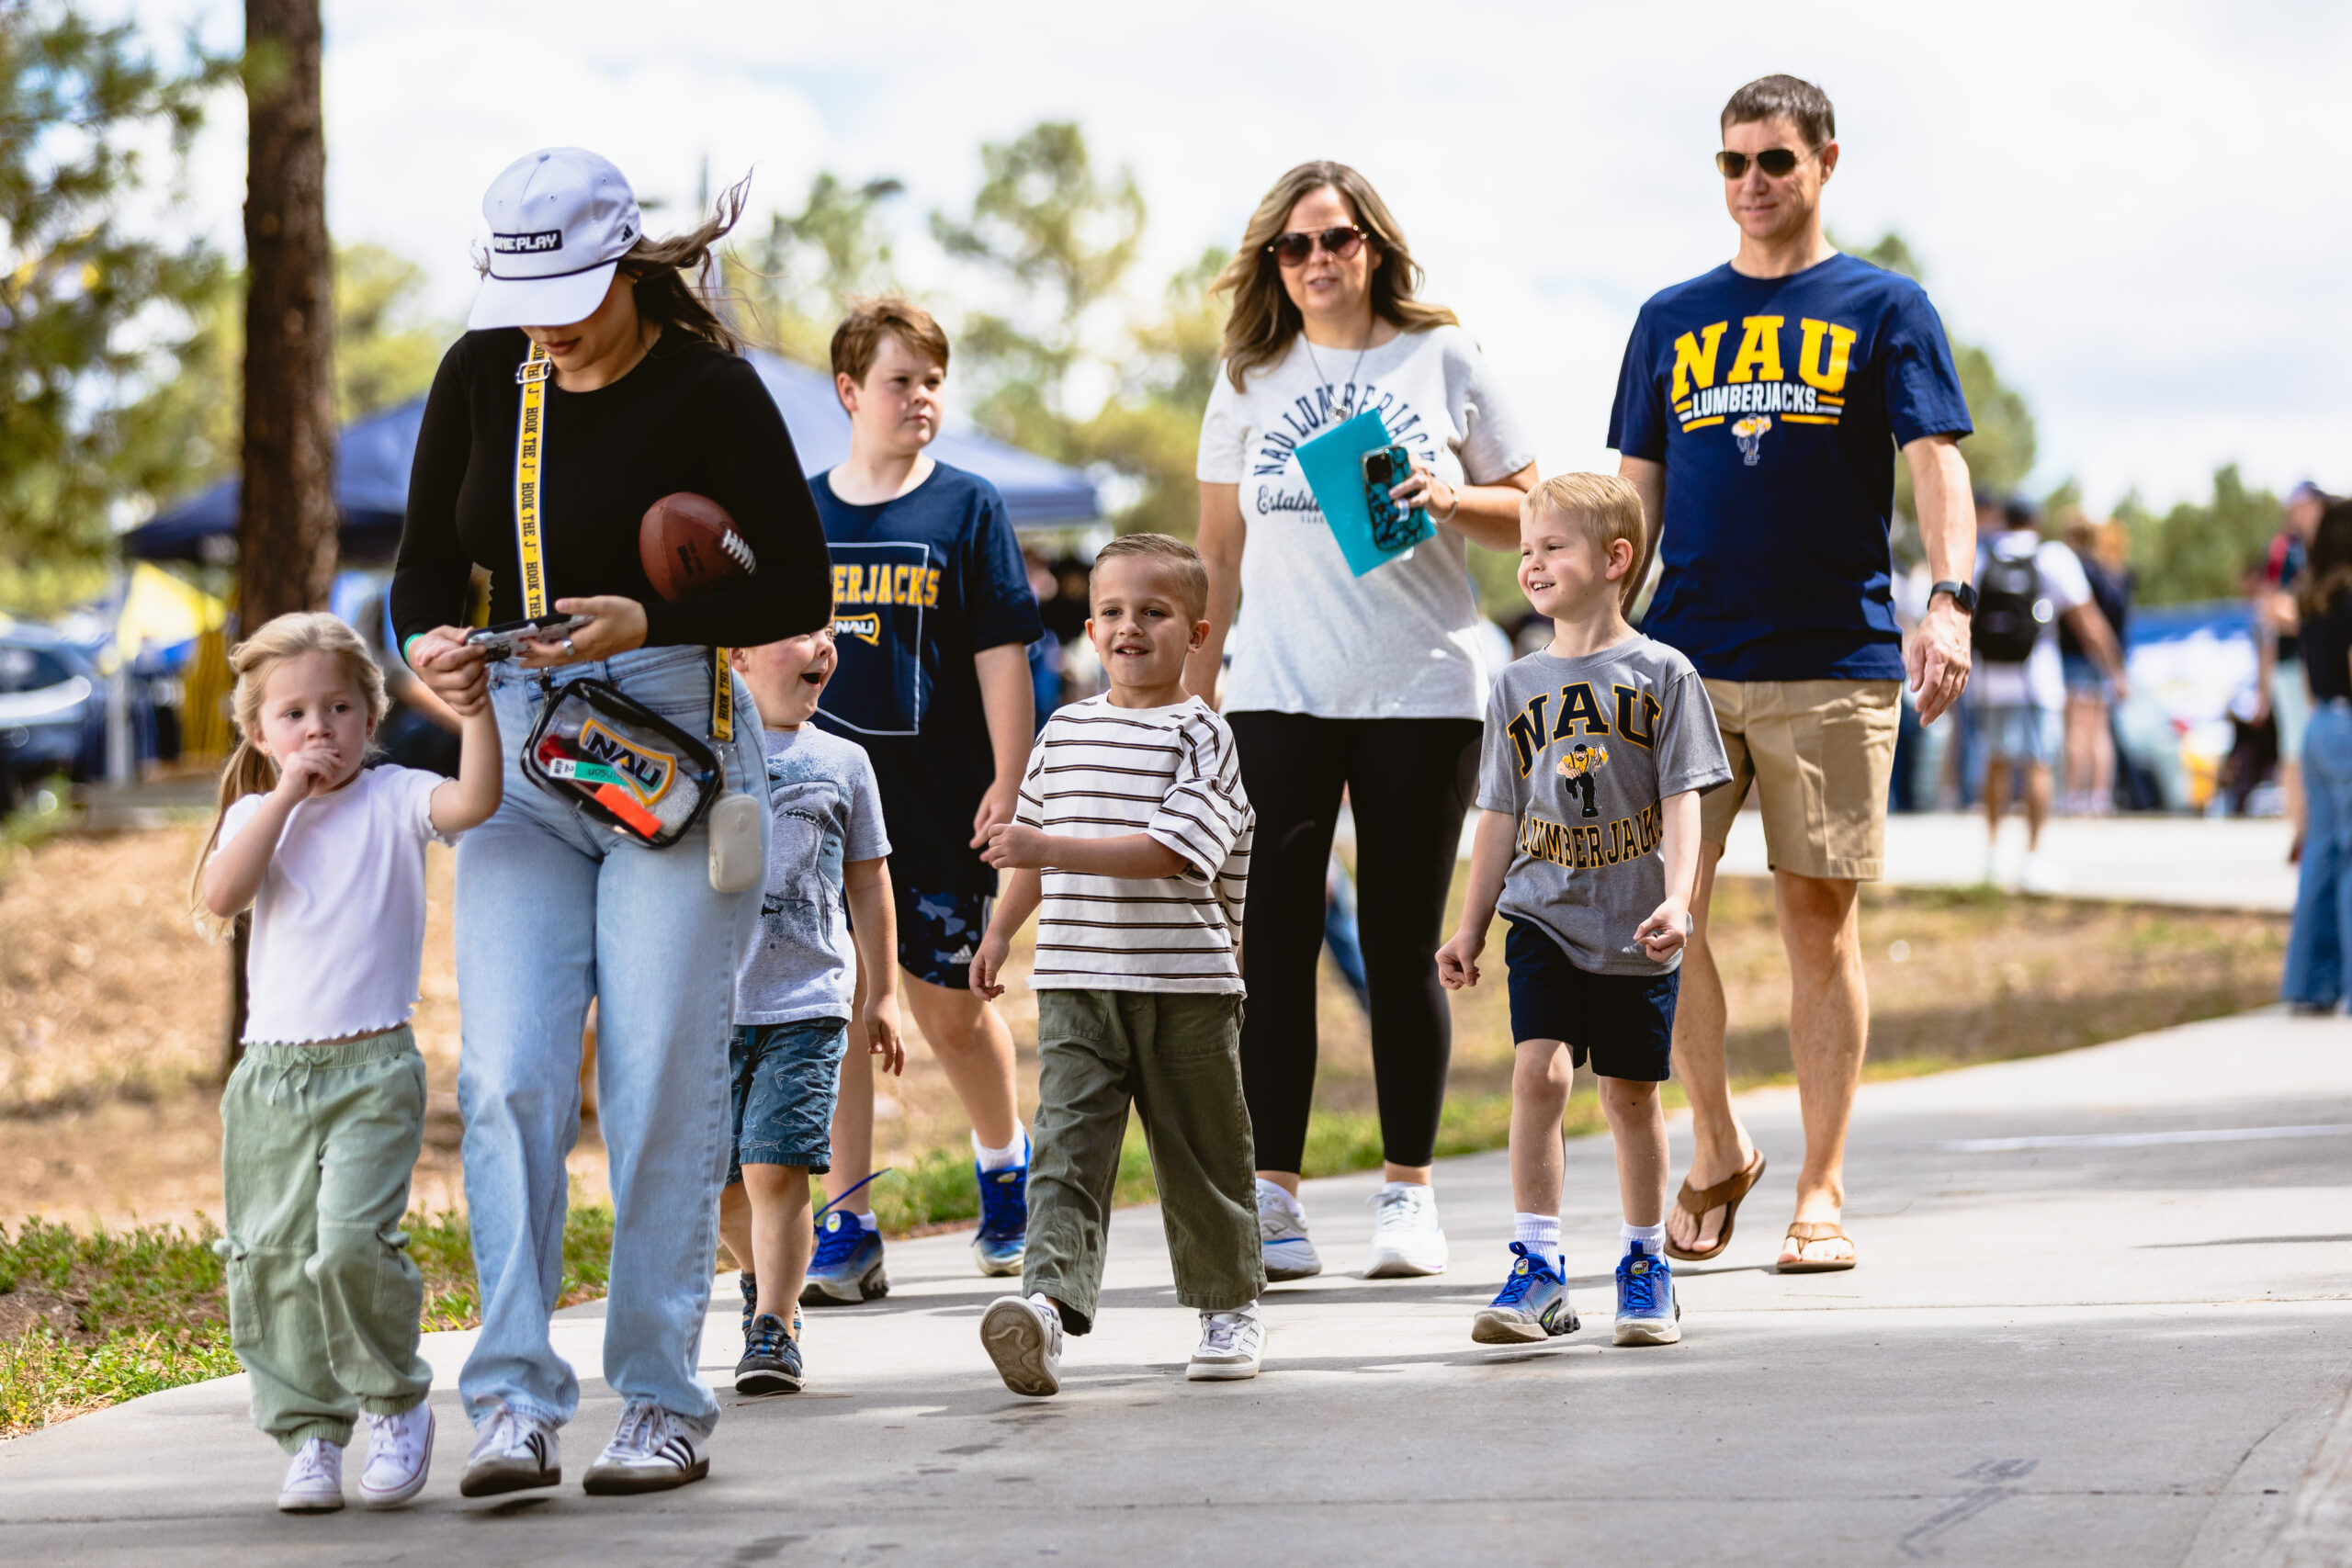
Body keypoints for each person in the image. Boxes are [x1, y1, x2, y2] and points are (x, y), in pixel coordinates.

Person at [393, 148, 832, 1495]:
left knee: (657, 1076)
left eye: (577, 291)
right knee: (510, 1074)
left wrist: (661, 617)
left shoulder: (709, 387)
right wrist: (429, 651)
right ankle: (514, 1398)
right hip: (518, 752)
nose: (553, 321)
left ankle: (658, 1395)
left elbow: (799, 579)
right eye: (529, 295)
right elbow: (419, 567)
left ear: (629, 260)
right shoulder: (481, 377)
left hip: (673, 747)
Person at [1610, 76, 1977, 1271]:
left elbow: (1935, 463)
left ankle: (1820, 1183)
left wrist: (1950, 598)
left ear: (1825, 161)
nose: (1753, 184)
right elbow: (1636, 494)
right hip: (1689, 662)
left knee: (1819, 926)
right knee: (1659, 913)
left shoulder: (1884, 304)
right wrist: (1600, 623)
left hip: (1836, 660)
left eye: (1774, 160)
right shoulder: (1670, 316)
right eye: (1732, 164)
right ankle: (1716, 1143)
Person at [1191, 160, 1538, 1281]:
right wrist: (1194, 698)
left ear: (1372, 246)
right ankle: (1275, 1198)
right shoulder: (1248, 373)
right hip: (1278, 695)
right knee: (1272, 944)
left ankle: (1407, 1194)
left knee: (1398, 945)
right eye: (1292, 248)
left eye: (1334, 240)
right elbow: (1217, 554)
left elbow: (1537, 517)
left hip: (1418, 694)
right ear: (1271, 264)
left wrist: (1450, 495)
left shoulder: (1442, 357)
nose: (1316, 262)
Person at [191, 613, 502, 1511]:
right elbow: (221, 893)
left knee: (346, 1247)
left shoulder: (397, 795)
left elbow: (474, 803)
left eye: (337, 709)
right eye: (292, 715)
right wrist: (285, 794)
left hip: (372, 1066)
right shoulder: (259, 813)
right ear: (259, 734)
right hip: (271, 1080)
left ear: (370, 719)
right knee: (274, 1258)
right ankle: (309, 1436)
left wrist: (473, 710)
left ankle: (396, 1403)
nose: (317, 729)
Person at [1437, 475, 1730, 1348]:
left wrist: (1680, 899)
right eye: (1526, 549)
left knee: (1632, 1098)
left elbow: (1686, 800)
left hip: (1639, 925)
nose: (1531, 563)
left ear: (1615, 560)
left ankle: (1646, 1266)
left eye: (1552, 546)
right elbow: (1497, 815)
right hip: (1545, 917)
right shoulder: (1515, 684)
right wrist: (1470, 923)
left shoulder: (1664, 673)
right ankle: (1538, 1269)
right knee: (1541, 1074)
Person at [968, 534, 1263, 1393]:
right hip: (1075, 982)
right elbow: (1026, 853)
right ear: (1090, 631)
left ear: (1197, 634)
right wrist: (999, 931)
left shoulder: (1206, 736)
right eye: (1111, 612)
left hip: (1187, 988)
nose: (1129, 627)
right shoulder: (1065, 730)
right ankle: (1046, 1309)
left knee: (1202, 1155)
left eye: (1154, 612)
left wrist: (1045, 845)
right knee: (1065, 1151)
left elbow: (1173, 852)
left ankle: (1229, 1304)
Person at [807, 297, 1042, 1299]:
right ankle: (848, 1223)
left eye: (935, 381)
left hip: (940, 809)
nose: (923, 399)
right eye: (903, 381)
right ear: (851, 390)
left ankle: (1004, 1173)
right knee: (837, 1011)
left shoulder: (968, 506)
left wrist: (1010, 779)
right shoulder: (801, 513)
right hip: (819, 815)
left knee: (949, 1011)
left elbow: (1003, 656)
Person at [716, 626, 906, 1395]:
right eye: (798, 633)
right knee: (721, 1187)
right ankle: (766, 1279)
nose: (823, 648)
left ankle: (776, 1324)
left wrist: (882, 991)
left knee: (774, 1166)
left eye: (828, 632)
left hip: (808, 1000)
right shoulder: (705, 752)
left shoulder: (845, 761)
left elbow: (869, 883)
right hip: (712, 1008)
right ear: (737, 654)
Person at [1972, 497, 2129, 890]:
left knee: (1996, 763)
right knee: (2039, 763)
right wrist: (2115, 668)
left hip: (1992, 680)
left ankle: (1993, 857)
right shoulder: (2052, 557)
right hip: (2037, 679)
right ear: (2036, 521)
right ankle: (2033, 859)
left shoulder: (1982, 557)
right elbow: (2088, 621)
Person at [2284, 500, 2352, 1013]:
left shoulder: (2310, 596)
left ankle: (2311, 982)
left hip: (2319, 723)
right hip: (2347, 722)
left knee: (2322, 857)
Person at [2258, 482, 2328, 858]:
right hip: (2292, 663)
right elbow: (2272, 609)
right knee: (2296, 748)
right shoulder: (2286, 549)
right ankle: (2301, 831)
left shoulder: (2326, 548)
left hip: (2318, 660)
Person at [2059, 515, 2133, 815]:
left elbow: (2089, 623)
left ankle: (2074, 795)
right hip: (2105, 659)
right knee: (2100, 731)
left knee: (2076, 730)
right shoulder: (2110, 573)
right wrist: (2115, 666)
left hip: (2079, 656)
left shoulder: (2076, 572)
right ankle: (2100, 796)